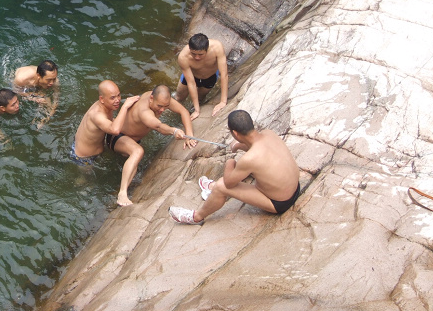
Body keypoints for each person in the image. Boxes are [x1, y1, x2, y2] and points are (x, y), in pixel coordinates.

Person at [169, 110, 301, 224]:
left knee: (221, 186)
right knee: (251, 171)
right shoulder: (269, 133)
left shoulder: (249, 159)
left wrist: (230, 162)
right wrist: (239, 145)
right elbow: (261, 152)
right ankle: (212, 188)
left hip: (280, 203)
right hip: (295, 188)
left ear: (235, 134)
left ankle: (196, 217)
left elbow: (229, 183)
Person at [109, 84, 197, 206]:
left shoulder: (161, 98)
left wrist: (189, 135)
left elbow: (183, 111)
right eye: (159, 106)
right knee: (138, 152)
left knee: (132, 160)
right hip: (117, 137)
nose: (161, 110)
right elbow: (158, 126)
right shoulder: (144, 111)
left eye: (165, 107)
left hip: (133, 138)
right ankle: (122, 194)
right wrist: (174, 130)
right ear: (151, 98)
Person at [71, 80, 140, 167]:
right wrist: (125, 107)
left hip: (89, 149)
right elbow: (115, 130)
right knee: (84, 180)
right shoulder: (97, 115)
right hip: (84, 158)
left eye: (118, 95)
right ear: (102, 99)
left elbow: (112, 123)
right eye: (112, 98)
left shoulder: (106, 106)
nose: (118, 100)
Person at [175, 33, 228, 120]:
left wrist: (223, 101)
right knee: (179, 97)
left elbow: (224, 74)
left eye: (200, 54)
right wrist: (197, 111)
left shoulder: (217, 47)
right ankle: (177, 113)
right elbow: (191, 83)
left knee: (200, 99)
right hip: (192, 75)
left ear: (207, 49)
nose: (197, 57)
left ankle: (194, 108)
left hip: (210, 77)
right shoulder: (183, 57)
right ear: (189, 48)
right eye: (193, 54)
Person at [12, 60, 59, 128]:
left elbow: (55, 102)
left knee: (45, 100)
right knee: (42, 98)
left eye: (54, 79)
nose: (52, 83)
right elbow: (16, 93)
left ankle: (39, 122)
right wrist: (34, 98)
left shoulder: (55, 81)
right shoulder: (22, 79)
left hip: (39, 83)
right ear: (38, 75)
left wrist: (48, 117)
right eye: (49, 80)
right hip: (21, 85)